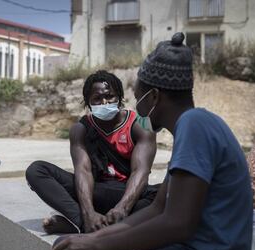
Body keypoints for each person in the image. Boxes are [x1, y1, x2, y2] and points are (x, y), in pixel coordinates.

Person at [40, 32, 253, 250]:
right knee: (63, 248)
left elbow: (177, 224)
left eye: (136, 95)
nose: (135, 105)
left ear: (153, 96)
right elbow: (158, 208)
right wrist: (95, 237)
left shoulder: (195, 125)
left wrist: (97, 244)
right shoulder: (194, 125)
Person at [25, 70, 158, 234]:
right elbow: (83, 171)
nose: (104, 102)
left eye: (109, 96)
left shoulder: (140, 125)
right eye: (97, 98)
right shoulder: (81, 129)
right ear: (88, 103)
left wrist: (122, 208)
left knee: (162, 195)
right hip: (94, 192)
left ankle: (79, 224)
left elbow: (141, 172)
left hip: (127, 194)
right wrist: (88, 212)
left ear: (120, 98)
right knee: (37, 170)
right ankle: (86, 222)